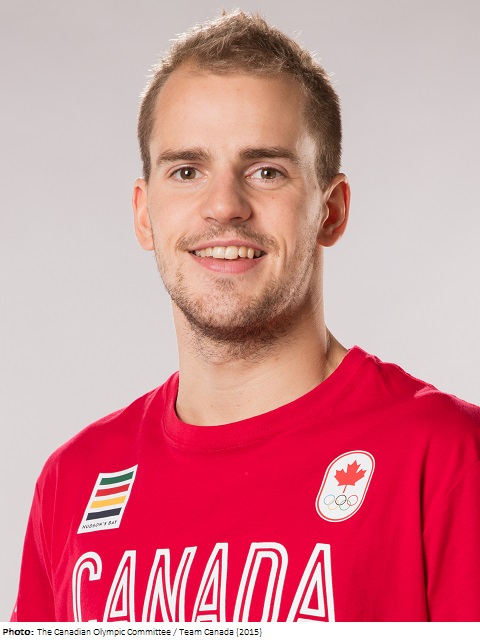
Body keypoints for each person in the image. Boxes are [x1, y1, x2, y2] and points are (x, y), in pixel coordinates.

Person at [12, 9, 480, 623]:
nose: (225, 206)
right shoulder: (72, 483)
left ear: (332, 210)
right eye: (187, 171)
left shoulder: (446, 459)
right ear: (145, 214)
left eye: (266, 171)